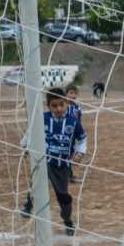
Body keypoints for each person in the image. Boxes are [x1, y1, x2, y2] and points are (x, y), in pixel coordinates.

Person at [21, 88, 86, 236]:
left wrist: (80, 153)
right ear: (48, 105)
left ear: (67, 104)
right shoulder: (41, 118)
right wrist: (26, 146)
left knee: (63, 195)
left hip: (62, 165)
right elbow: (30, 133)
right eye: (54, 105)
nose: (58, 108)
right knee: (36, 184)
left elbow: (82, 140)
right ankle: (28, 205)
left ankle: (68, 221)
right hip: (44, 160)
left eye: (61, 104)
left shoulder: (73, 122)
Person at [65, 85, 83, 183]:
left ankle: (69, 176)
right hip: (63, 134)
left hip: (73, 135)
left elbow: (79, 121)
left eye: (75, 93)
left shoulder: (77, 108)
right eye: (71, 93)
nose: (73, 95)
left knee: (70, 154)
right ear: (66, 94)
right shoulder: (62, 105)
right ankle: (67, 176)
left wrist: (78, 133)